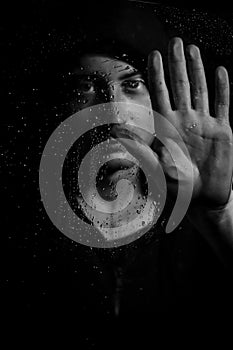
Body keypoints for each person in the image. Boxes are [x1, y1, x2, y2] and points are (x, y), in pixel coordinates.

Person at [3, 0, 233, 335]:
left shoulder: (194, 223)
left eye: (133, 84)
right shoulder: (22, 225)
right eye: (85, 87)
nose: (113, 112)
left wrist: (219, 214)